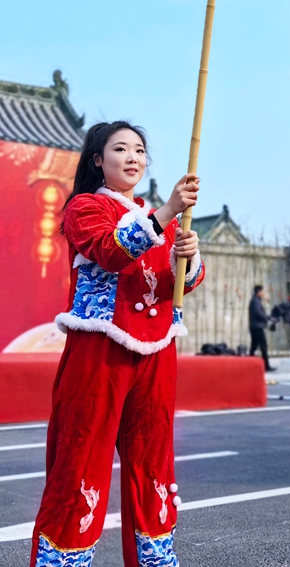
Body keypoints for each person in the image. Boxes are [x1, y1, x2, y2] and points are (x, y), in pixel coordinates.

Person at [30, 122, 205, 566]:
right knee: (81, 461)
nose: (133, 157)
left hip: (157, 350)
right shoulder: (84, 208)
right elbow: (109, 253)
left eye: (140, 150)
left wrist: (188, 254)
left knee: (154, 466)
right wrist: (165, 215)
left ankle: (156, 558)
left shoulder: (156, 217)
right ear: (97, 160)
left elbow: (174, 286)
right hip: (100, 352)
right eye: (121, 148)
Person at [249, 285, 276, 372]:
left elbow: (260, 313)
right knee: (263, 346)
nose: (263, 293)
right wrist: (267, 318)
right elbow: (258, 313)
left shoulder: (256, 301)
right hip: (257, 327)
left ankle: (248, 365)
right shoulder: (255, 301)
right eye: (262, 292)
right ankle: (266, 366)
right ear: (258, 292)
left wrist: (268, 317)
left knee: (254, 347)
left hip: (255, 327)